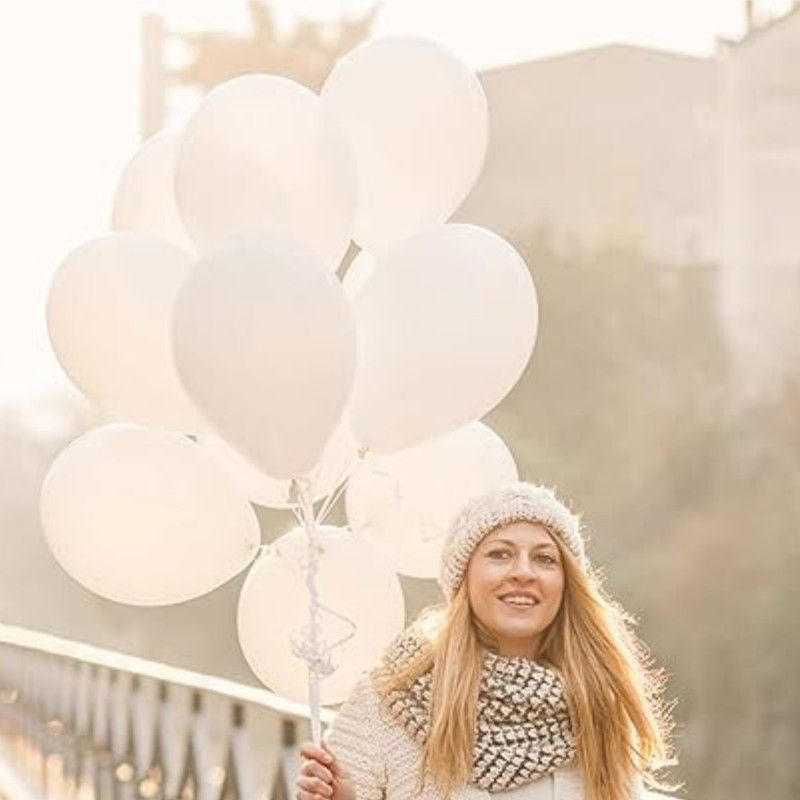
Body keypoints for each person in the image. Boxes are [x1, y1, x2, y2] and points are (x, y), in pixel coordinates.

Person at [295, 482, 677, 800]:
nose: (523, 573)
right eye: (500, 554)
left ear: (567, 584)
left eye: (545, 559)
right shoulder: (387, 701)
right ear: (464, 577)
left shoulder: (596, 703)